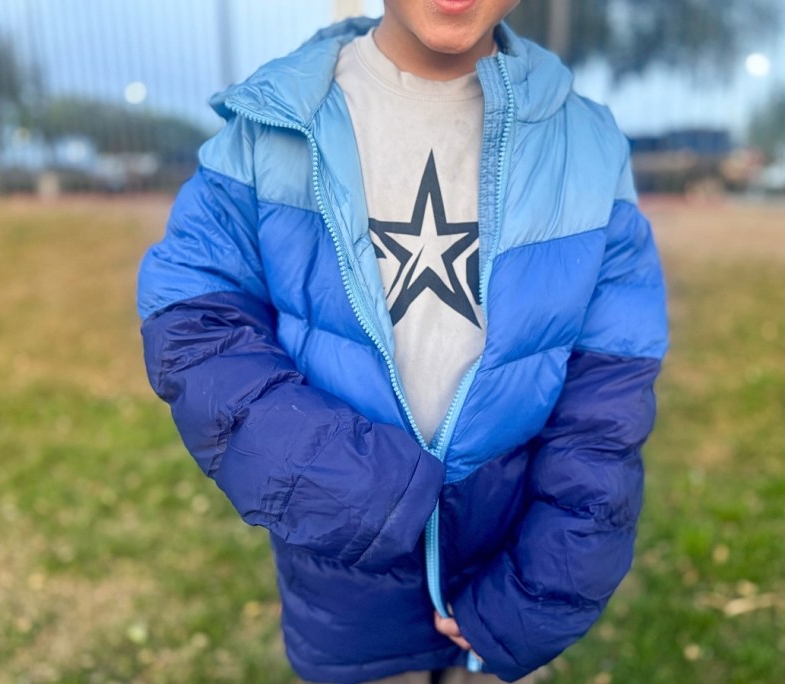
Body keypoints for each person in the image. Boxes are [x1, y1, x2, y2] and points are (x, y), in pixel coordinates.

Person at [136, 1, 668, 682]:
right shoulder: (274, 122)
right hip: (345, 578)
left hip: (511, 561)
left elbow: (608, 400)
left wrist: (542, 586)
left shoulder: (587, 146)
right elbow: (196, 328)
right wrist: (354, 488)